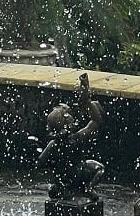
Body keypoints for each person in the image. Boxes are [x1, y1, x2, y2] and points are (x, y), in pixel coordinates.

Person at [38, 72, 105, 200]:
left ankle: (64, 188)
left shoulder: (54, 144)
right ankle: (89, 188)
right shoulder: (77, 138)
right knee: (100, 168)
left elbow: (40, 162)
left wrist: (52, 164)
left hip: (62, 181)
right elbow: (96, 121)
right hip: (79, 174)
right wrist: (87, 101)